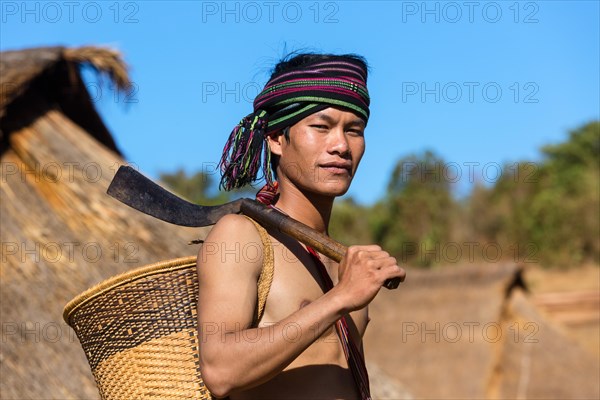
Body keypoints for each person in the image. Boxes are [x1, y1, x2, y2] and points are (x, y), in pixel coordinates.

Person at [196, 52, 406, 399]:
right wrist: (340, 298)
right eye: (321, 127)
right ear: (277, 139)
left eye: (354, 130)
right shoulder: (241, 236)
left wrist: (345, 291)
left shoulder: (343, 264)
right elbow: (220, 370)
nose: (341, 146)